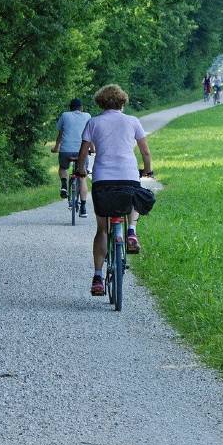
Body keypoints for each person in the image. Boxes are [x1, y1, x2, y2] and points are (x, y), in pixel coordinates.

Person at [76, 84, 152, 296]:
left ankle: (98, 277)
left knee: (102, 229)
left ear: (100, 102)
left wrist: (81, 171)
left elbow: (83, 154)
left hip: (103, 180)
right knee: (134, 196)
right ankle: (131, 232)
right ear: (122, 101)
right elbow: (145, 152)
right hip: (128, 175)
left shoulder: (93, 122)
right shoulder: (132, 121)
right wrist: (148, 171)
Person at [51, 98, 91, 218]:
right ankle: (83, 208)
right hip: (82, 151)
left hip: (66, 150)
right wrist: (92, 149)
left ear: (70, 108)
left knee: (63, 168)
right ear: (81, 108)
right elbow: (90, 136)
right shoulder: (87, 116)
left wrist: (56, 147)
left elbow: (61, 134)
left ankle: (64, 185)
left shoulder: (65, 115)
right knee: (82, 177)